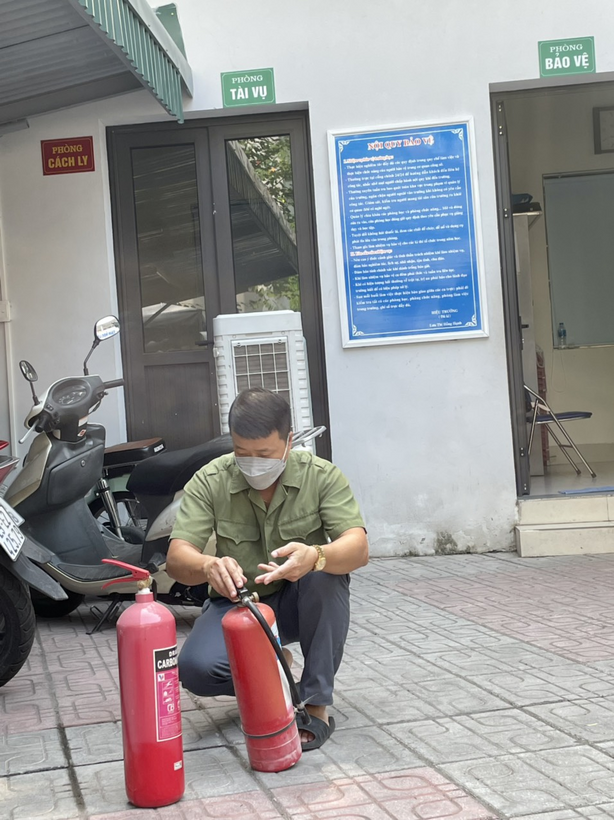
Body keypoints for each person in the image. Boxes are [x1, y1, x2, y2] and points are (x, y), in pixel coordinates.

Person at [166, 387, 368, 750]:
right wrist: (208, 565)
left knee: (325, 576)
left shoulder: (321, 476)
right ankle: (277, 667)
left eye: (265, 454)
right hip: (238, 604)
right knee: (196, 669)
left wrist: (316, 555)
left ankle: (316, 703)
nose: (253, 463)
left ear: (289, 441)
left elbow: (358, 547)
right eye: (243, 452)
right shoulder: (210, 480)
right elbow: (177, 557)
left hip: (297, 601)